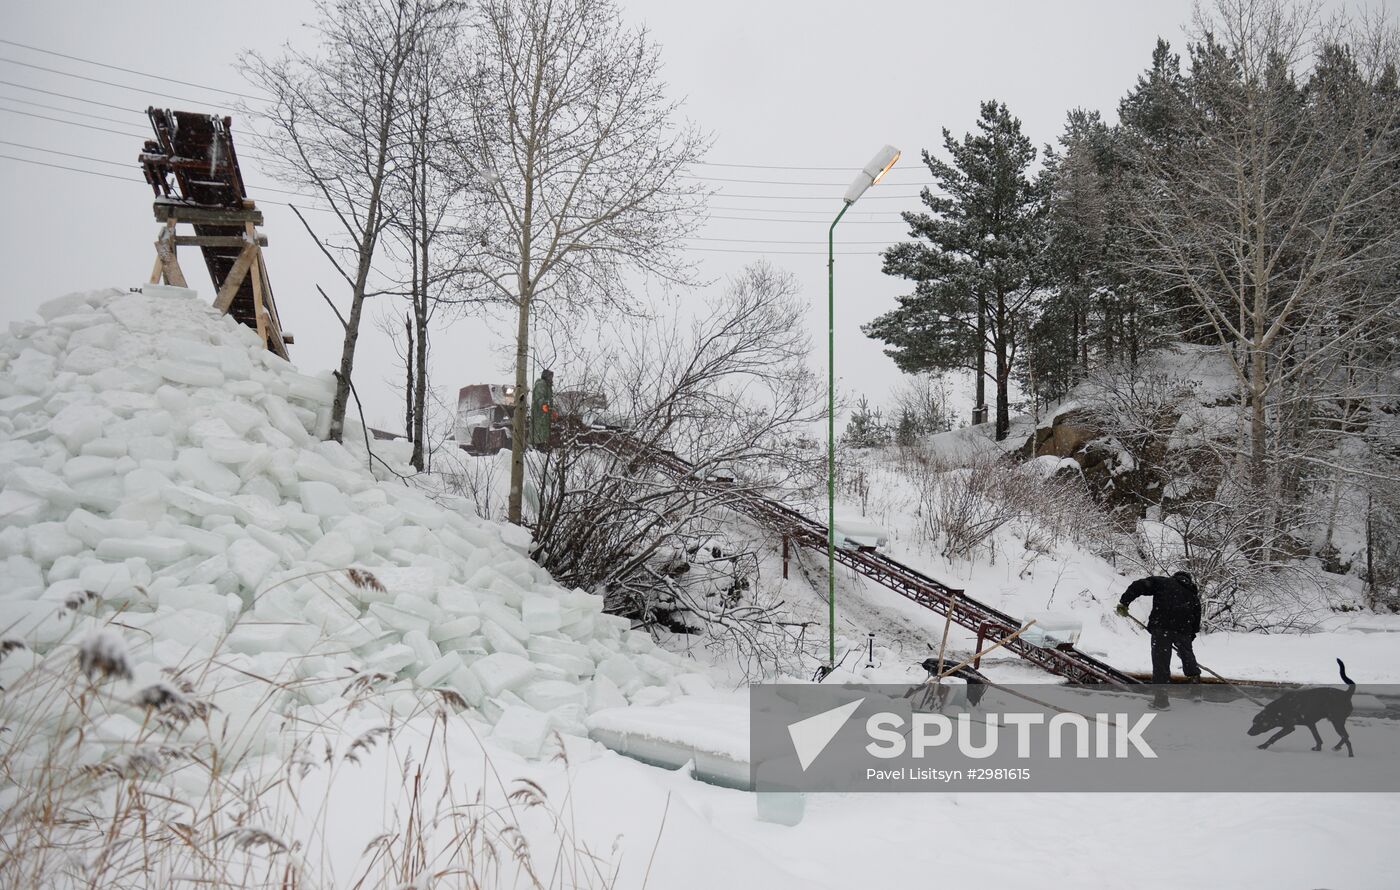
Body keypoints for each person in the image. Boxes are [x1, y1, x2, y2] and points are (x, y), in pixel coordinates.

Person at [1117, 571, 1201, 709]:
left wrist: (1124, 602)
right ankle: (1196, 690)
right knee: (1188, 657)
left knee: (1161, 662)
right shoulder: (1192, 595)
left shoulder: (1164, 582)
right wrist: (1187, 642)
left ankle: (1161, 700)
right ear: (1188, 580)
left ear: (1175, 577)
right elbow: (1196, 622)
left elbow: (1139, 585)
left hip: (1162, 627)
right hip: (1183, 630)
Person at [529, 369, 553, 450]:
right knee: (539, 433)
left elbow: (549, 401)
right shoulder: (541, 384)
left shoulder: (548, 386)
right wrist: (544, 406)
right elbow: (539, 398)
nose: (551, 378)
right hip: (540, 415)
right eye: (550, 376)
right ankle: (539, 448)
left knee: (542, 434)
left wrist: (551, 411)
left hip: (544, 415)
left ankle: (541, 447)